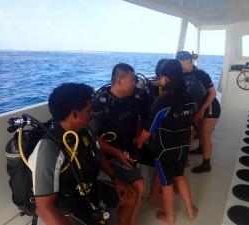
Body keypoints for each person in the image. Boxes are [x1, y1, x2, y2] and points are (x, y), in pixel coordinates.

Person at [28, 83, 135, 225]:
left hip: (87, 190)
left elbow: (96, 153)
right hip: (67, 204)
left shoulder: (83, 129)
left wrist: (115, 178)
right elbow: (44, 208)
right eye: (89, 110)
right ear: (75, 115)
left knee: (130, 197)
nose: (93, 113)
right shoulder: (49, 150)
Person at [135, 59, 198, 225]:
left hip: (165, 150)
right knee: (180, 176)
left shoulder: (163, 101)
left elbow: (149, 130)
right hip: (183, 147)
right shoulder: (190, 97)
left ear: (164, 78)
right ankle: (190, 212)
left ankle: (170, 219)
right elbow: (191, 121)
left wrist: (139, 143)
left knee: (167, 184)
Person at [89, 63, 145, 225]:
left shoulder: (131, 98)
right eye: (132, 80)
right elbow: (92, 139)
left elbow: (137, 121)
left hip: (128, 147)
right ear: (119, 81)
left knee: (162, 156)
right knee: (139, 185)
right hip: (108, 154)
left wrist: (138, 138)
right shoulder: (100, 105)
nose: (135, 83)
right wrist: (117, 153)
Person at [176, 51, 221, 173]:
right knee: (200, 131)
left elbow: (213, 93)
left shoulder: (200, 74)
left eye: (179, 63)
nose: (178, 66)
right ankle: (201, 148)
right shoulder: (181, 75)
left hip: (210, 107)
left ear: (187, 61)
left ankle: (206, 164)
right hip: (198, 108)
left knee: (205, 134)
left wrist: (201, 111)